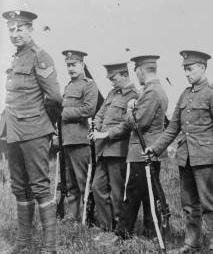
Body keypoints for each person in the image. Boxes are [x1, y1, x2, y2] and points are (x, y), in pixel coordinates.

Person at [146, 51, 213, 254]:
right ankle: (192, 243)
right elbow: (173, 127)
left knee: (209, 203)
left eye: (190, 69)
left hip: (206, 158)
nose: (187, 73)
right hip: (186, 158)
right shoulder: (185, 94)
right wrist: (155, 148)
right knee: (189, 204)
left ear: (202, 67)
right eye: (185, 69)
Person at [2, 10, 62, 254]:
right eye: (11, 29)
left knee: (39, 188)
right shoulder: (16, 59)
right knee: (19, 187)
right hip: (13, 132)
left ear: (31, 30)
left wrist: (42, 123)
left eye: (20, 29)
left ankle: (50, 250)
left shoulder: (41, 57)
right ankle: (23, 243)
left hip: (34, 131)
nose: (15, 34)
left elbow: (55, 98)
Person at [112, 55, 169, 241]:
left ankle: (123, 233)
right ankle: (152, 233)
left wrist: (129, 110)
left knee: (133, 194)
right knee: (149, 194)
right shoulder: (155, 90)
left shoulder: (151, 92)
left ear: (140, 70)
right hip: (150, 150)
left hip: (141, 151)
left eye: (136, 71)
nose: (136, 75)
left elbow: (138, 122)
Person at [90, 63, 138, 233]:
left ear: (125, 74)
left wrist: (106, 134)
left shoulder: (134, 95)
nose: (110, 81)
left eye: (113, 77)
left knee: (117, 192)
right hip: (103, 149)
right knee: (97, 187)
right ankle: (105, 226)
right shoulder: (112, 93)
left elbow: (127, 125)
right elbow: (100, 113)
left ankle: (119, 228)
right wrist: (95, 126)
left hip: (118, 150)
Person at [58, 50, 99, 221]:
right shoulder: (68, 86)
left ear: (82, 65)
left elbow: (89, 109)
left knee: (84, 181)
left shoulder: (89, 84)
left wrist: (65, 112)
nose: (70, 68)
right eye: (68, 65)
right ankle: (72, 216)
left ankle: (89, 217)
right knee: (70, 182)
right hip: (66, 140)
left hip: (80, 140)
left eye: (74, 64)